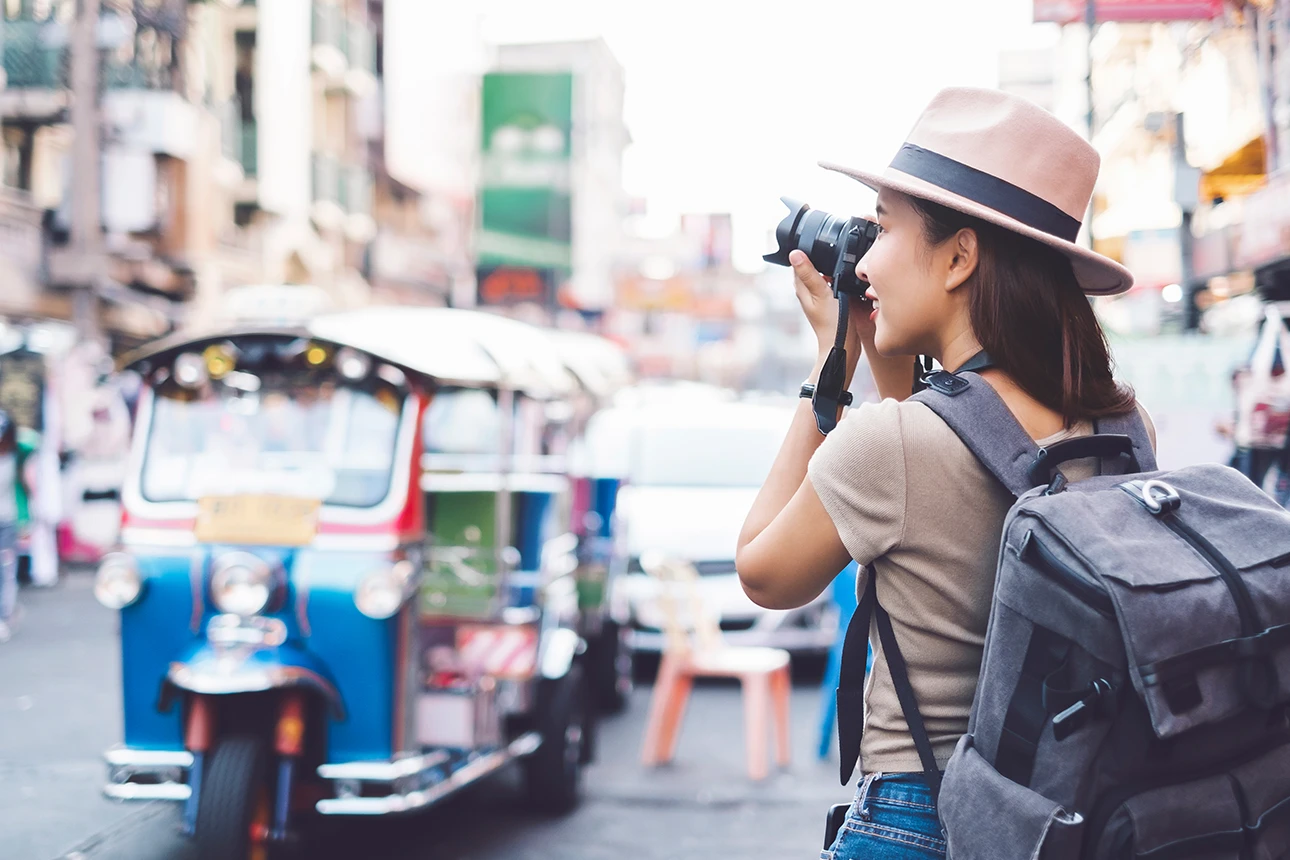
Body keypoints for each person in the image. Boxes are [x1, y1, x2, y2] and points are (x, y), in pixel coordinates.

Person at [735, 87, 1155, 859]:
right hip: (1066, 814)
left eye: (884, 228)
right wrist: (887, 354)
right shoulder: (1123, 429)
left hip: (918, 819)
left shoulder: (890, 446)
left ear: (960, 256)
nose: (867, 256)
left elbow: (763, 574)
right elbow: (964, 444)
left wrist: (825, 378)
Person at [0, 411, 22, 642]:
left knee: (5, 569)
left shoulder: (15, 455)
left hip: (6, 520)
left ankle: (5, 614)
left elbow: (32, 439)